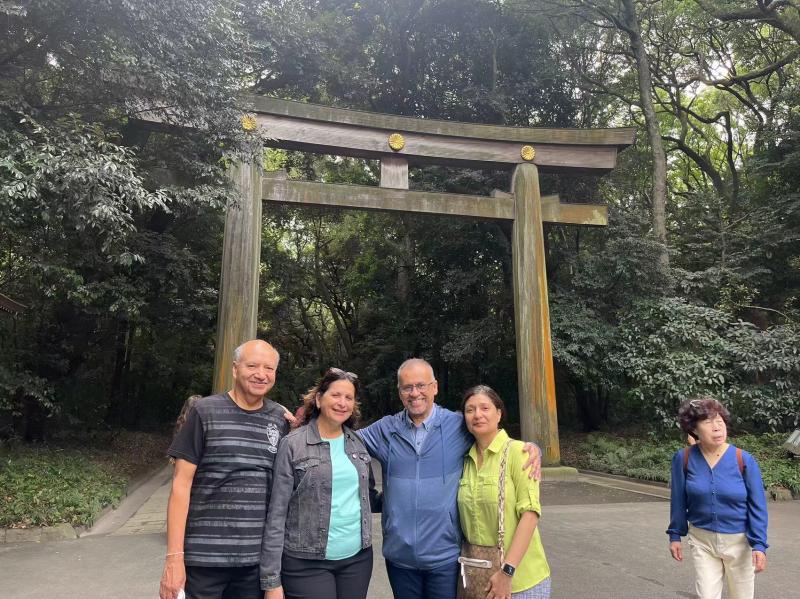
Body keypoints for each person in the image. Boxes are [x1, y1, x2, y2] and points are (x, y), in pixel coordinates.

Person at [358, 358, 541, 599]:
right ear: (400, 392)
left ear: (435, 387)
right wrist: (305, 425)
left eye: (421, 385)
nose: (415, 393)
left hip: (445, 557)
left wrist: (532, 448)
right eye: (407, 387)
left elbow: (490, 433)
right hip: (400, 557)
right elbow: (344, 440)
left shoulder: (457, 425)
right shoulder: (385, 429)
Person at [159, 340, 290, 599]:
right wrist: (174, 559)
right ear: (235, 369)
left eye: (269, 368)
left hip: (255, 562)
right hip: (203, 560)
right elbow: (181, 485)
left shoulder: (279, 419)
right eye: (252, 365)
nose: (261, 374)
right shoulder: (204, 411)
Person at [260, 368, 378, 599]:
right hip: (306, 562)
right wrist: (271, 581)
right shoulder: (293, 444)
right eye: (335, 395)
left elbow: (368, 496)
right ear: (318, 398)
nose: (342, 403)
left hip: (357, 560)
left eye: (349, 398)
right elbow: (276, 514)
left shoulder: (357, 443)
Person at [667, 396, 769, 599]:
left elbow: (757, 505)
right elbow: (678, 499)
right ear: (694, 430)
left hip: (739, 543)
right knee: (706, 595)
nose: (717, 427)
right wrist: (675, 535)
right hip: (702, 540)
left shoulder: (744, 459)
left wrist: (759, 544)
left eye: (720, 421)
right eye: (708, 422)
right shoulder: (684, 458)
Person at [457, 385, 551, 599]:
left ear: (499, 413)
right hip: (477, 579)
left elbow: (530, 514)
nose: (477, 415)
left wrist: (507, 572)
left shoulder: (520, 453)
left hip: (521, 581)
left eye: (484, 408)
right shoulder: (464, 461)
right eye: (470, 410)